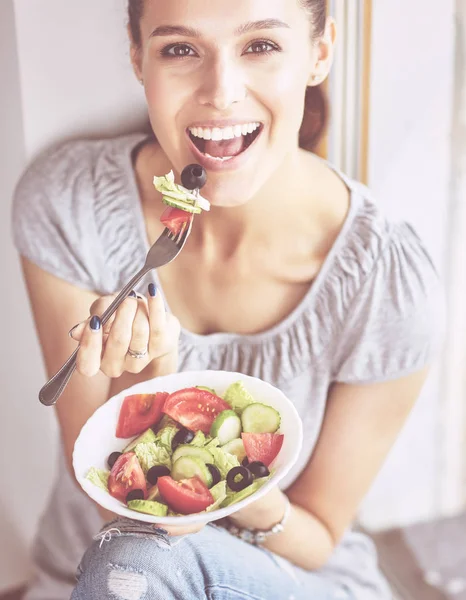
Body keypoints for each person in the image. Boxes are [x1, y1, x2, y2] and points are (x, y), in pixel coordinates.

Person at [12, 0, 445, 598]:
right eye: (180, 49)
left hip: (289, 577)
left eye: (260, 46)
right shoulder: (67, 206)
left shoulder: (389, 286)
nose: (221, 91)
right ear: (139, 59)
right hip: (99, 575)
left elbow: (317, 537)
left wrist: (240, 493)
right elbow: (111, 506)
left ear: (318, 54)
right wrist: (152, 376)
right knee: (135, 563)